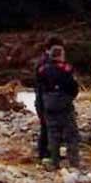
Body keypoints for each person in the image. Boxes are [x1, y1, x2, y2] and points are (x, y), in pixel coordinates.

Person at [36, 43, 81, 169]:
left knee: (52, 133)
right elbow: (73, 87)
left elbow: (40, 86)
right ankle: (74, 162)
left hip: (48, 103)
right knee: (71, 134)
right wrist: (70, 97)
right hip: (64, 104)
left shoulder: (42, 69)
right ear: (61, 55)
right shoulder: (66, 69)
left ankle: (54, 161)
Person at [31, 35, 62, 164]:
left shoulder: (44, 61)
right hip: (45, 99)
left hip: (45, 98)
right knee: (47, 127)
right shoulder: (45, 63)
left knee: (49, 126)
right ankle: (44, 153)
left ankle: (48, 152)